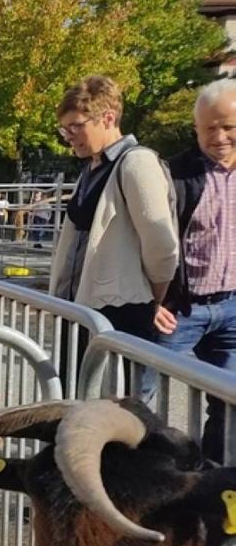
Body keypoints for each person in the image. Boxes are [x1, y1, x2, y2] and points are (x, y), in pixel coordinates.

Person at [50, 74, 177, 343]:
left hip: (119, 311)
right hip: (79, 308)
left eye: (75, 127)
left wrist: (151, 298)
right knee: (72, 383)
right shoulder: (92, 168)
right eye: (64, 129)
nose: (68, 137)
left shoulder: (136, 163)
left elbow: (162, 244)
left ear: (107, 118)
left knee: (112, 386)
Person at [156, 78, 236, 460]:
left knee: (229, 402)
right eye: (209, 128)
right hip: (178, 310)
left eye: (228, 127)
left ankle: (215, 482)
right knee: (137, 393)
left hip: (232, 309)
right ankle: (115, 484)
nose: (218, 137)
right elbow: (150, 241)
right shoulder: (175, 174)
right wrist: (153, 299)